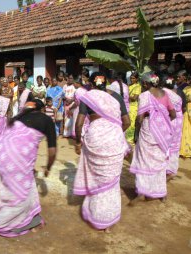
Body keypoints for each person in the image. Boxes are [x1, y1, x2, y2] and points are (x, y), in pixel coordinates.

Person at [0, 99, 56, 240]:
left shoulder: (16, 118)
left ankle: (34, 220)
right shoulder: (46, 119)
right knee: (21, 196)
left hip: (0, 154)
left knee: (27, 183)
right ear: (42, 109)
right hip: (16, 157)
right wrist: (48, 168)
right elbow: (52, 152)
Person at [74, 72, 130, 231]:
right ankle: (108, 219)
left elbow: (79, 124)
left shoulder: (88, 96)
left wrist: (78, 142)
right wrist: (115, 132)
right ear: (106, 83)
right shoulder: (117, 97)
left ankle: (95, 213)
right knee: (112, 180)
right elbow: (127, 122)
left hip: (95, 140)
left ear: (91, 84)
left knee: (95, 176)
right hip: (114, 140)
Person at [130, 73, 176, 204]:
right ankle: (161, 193)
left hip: (148, 130)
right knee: (160, 161)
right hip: (162, 132)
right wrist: (162, 121)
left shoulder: (144, 96)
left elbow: (139, 118)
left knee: (144, 160)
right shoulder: (165, 94)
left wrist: (137, 134)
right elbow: (173, 114)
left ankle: (142, 192)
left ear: (145, 83)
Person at [162, 76, 184, 178]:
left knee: (164, 142)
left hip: (168, 118)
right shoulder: (177, 94)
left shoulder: (162, 92)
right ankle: (171, 168)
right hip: (178, 120)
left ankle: (163, 167)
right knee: (174, 143)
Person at [126, 72, 142, 143]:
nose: (132, 79)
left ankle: (131, 140)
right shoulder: (128, 85)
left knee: (132, 123)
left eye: (133, 78)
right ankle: (126, 139)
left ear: (137, 79)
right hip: (127, 106)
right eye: (131, 78)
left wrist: (126, 96)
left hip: (133, 107)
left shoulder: (138, 87)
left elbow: (134, 98)